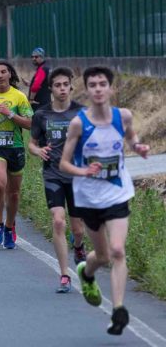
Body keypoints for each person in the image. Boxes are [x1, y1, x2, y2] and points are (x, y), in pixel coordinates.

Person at [59, 66, 150, 335]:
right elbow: (64, 163)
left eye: (102, 84)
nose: (98, 89)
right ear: (86, 90)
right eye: (93, 85)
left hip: (117, 192)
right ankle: (87, 272)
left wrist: (138, 147)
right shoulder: (79, 123)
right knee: (103, 255)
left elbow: (131, 138)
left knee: (118, 250)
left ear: (110, 88)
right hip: (88, 197)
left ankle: (118, 310)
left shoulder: (123, 116)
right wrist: (84, 171)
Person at [28, 67, 86, 293]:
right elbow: (32, 143)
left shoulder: (82, 113)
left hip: (77, 177)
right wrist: (38, 150)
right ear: (50, 89)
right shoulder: (41, 115)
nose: (62, 89)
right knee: (59, 221)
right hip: (53, 175)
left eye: (65, 85)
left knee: (78, 229)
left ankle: (79, 247)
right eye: (57, 85)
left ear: (71, 86)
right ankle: (64, 275)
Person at [0, 60, 33, 249]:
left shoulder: (19, 97)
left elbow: (29, 123)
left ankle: (10, 226)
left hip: (15, 147)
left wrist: (11, 114)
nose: (0, 75)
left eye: (4, 72)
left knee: (14, 193)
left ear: (10, 74)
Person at [22, 47, 51, 113]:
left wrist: (31, 100)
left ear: (42, 57)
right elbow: (44, 84)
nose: (33, 59)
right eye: (32, 57)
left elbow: (35, 86)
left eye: (36, 57)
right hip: (45, 102)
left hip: (39, 104)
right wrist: (30, 84)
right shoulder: (46, 68)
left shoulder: (42, 69)